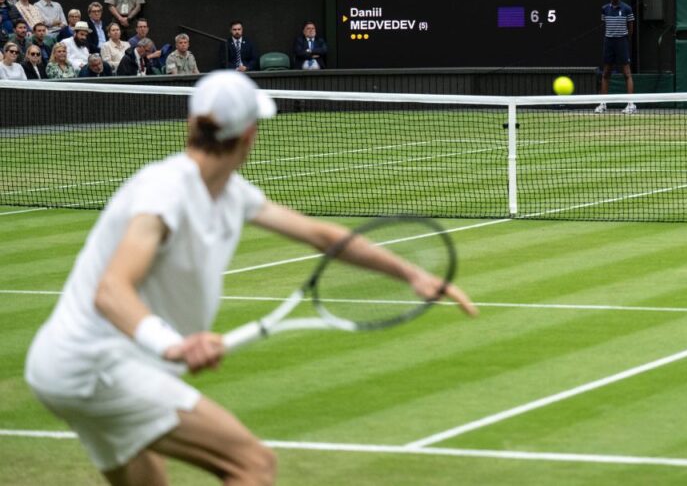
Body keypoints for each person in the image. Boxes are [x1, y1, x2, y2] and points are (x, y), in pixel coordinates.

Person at [24, 70, 478, 485]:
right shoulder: (164, 192)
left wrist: (412, 274)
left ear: (192, 124)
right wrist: (172, 345)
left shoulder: (230, 193)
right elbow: (110, 290)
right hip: (96, 368)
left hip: (68, 367)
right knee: (253, 464)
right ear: (249, 136)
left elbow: (322, 235)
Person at [594, 0, 636, 115]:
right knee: (606, 73)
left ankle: (631, 104)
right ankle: (603, 103)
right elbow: (605, 25)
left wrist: (624, 39)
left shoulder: (627, 9)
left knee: (626, 73)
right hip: (609, 42)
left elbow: (631, 28)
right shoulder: (604, 9)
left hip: (621, 41)